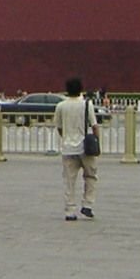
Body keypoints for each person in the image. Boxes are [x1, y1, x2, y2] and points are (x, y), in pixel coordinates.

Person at [53, 76, 98, 221]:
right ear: (81, 89)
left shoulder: (61, 106)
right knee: (90, 176)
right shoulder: (86, 104)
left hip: (68, 148)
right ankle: (87, 204)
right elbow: (94, 125)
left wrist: (66, 138)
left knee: (69, 181)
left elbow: (59, 128)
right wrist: (97, 142)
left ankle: (70, 211)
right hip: (85, 147)